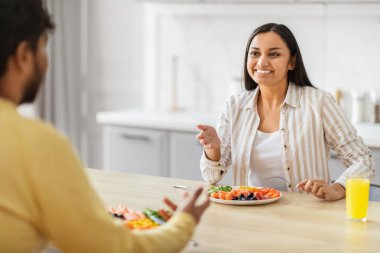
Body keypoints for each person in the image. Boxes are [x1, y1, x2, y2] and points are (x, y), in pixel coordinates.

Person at [0, 0, 209, 252]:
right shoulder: (35, 143)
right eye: (43, 49)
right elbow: (113, 248)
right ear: (23, 55)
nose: (45, 62)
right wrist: (184, 222)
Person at [197, 23, 375, 201]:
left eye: (273, 54)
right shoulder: (234, 106)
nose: (262, 62)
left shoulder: (319, 102)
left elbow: (364, 161)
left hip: (307, 215)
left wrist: (338, 188)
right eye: (255, 53)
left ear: (292, 62)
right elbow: (212, 176)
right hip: (250, 214)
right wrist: (213, 149)